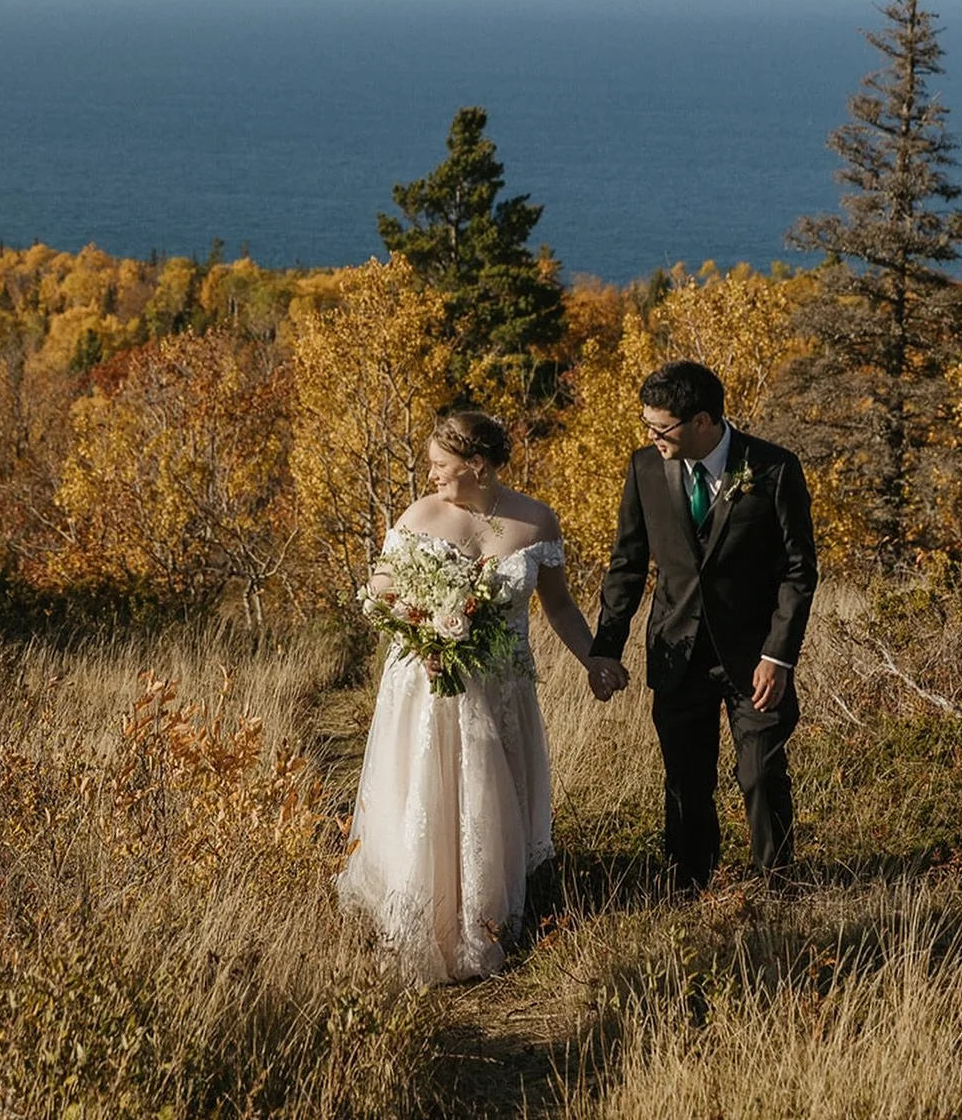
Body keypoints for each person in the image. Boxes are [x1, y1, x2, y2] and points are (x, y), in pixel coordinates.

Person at [337, 408, 600, 984]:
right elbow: (380, 594)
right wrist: (425, 629)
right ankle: (419, 924)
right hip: (427, 686)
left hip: (502, 688)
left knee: (491, 798)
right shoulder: (420, 515)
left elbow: (559, 607)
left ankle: (486, 924)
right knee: (427, 795)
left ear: (477, 465)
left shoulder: (536, 522)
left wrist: (596, 660)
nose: (431, 475)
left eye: (441, 465)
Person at [586, 360, 818, 892]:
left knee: (760, 773)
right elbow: (627, 563)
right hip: (676, 650)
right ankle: (689, 886)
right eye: (647, 425)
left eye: (661, 427)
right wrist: (606, 647)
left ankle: (775, 886)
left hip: (756, 657)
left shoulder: (774, 468)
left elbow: (799, 572)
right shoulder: (644, 467)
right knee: (687, 780)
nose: (652, 436)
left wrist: (778, 656)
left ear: (704, 422)